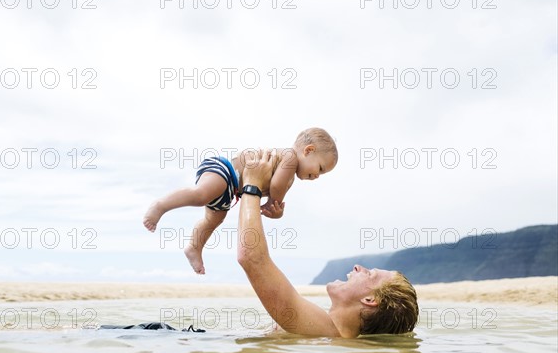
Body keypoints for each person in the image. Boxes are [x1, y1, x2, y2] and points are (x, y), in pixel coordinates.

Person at [237, 149, 419, 337]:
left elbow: (251, 257)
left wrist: (252, 183)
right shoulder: (327, 331)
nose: (358, 267)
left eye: (370, 274)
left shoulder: (322, 330)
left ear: (370, 299)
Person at [143, 127, 338, 274]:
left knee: (213, 220)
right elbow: (277, 186)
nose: (318, 176)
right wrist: (274, 203)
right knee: (200, 195)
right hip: (226, 171)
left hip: (231, 192)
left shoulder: (291, 176)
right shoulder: (289, 157)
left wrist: (275, 209)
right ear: (308, 151)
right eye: (320, 169)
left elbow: (271, 189)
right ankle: (161, 205)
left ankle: (194, 246)